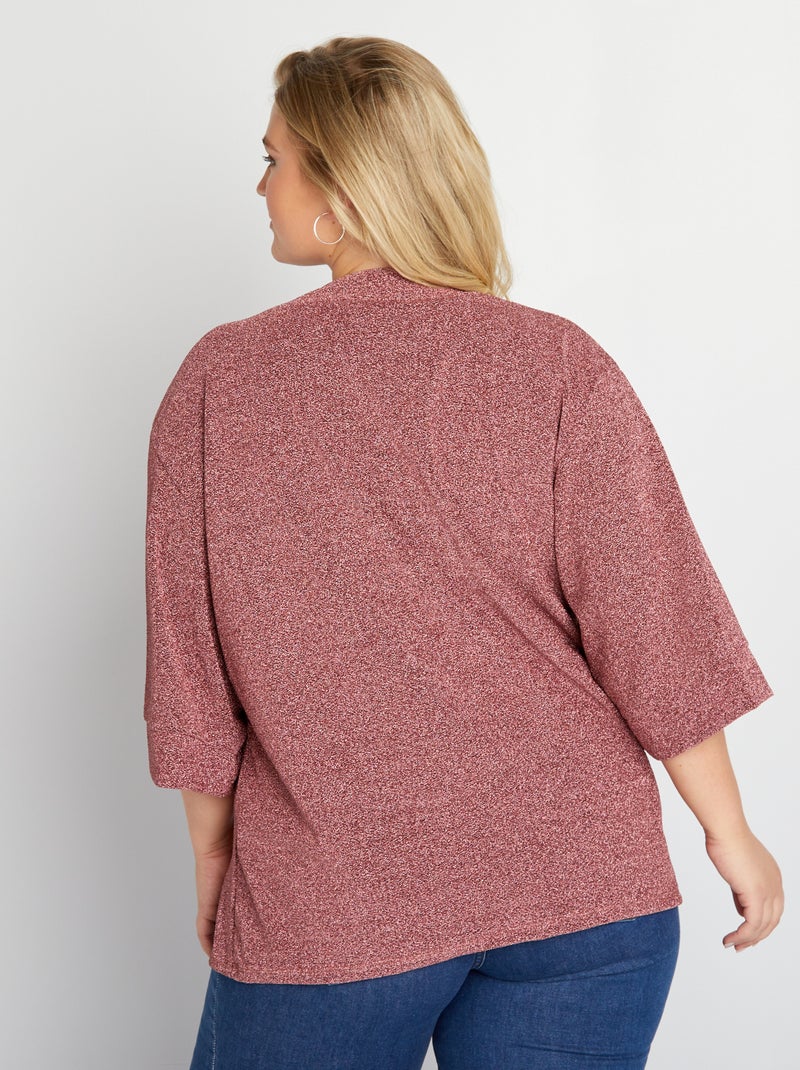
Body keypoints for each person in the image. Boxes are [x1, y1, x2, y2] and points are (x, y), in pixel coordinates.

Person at [143, 35, 783, 1070]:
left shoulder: (219, 381)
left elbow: (191, 670)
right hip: (583, 896)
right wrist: (728, 829)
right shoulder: (556, 361)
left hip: (338, 898)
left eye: (274, 159)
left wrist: (215, 855)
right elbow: (653, 623)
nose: (261, 186)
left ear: (341, 184)